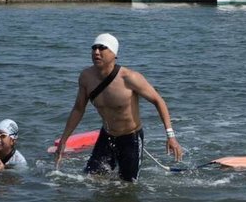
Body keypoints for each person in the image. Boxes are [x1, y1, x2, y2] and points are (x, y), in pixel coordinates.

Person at [55, 33, 183, 181]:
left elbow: (158, 101)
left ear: (114, 54)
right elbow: (78, 109)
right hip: (107, 136)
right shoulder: (86, 77)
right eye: (94, 48)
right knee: (91, 178)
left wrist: (171, 136)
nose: (96, 52)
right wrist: (64, 140)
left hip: (131, 138)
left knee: (127, 185)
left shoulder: (129, 78)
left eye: (102, 48)